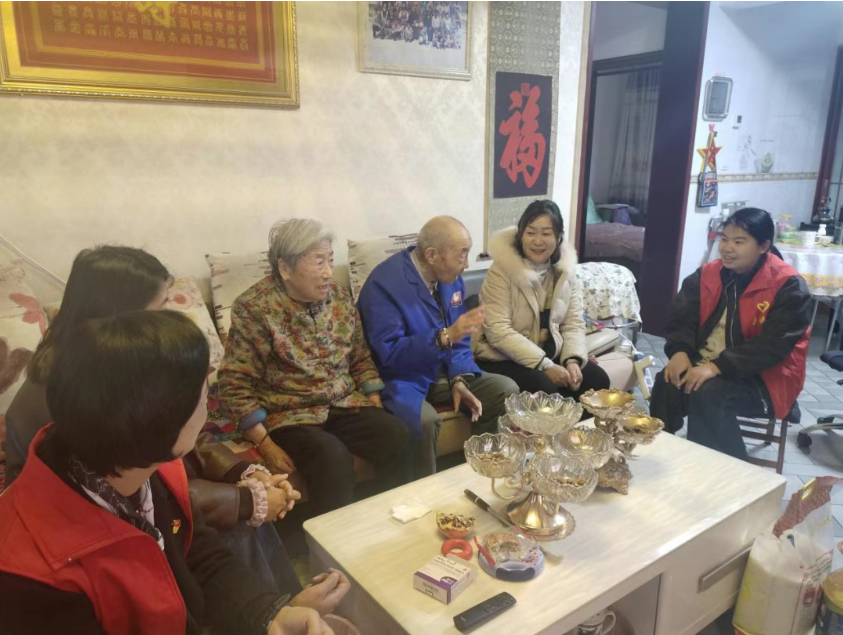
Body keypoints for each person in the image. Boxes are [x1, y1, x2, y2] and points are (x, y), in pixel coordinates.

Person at [0, 311, 345, 635]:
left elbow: (198, 554)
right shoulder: (33, 577)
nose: (208, 406)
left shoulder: (141, 467)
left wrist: (268, 615)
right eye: (203, 396)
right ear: (162, 422)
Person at [4, 245, 300, 593]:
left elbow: (181, 427)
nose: (169, 319)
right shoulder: (73, 392)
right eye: (160, 307)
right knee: (236, 531)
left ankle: (278, 607)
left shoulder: (122, 367)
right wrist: (247, 501)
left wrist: (243, 472)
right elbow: (135, 490)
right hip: (85, 528)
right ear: (120, 313)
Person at [217, 218, 410, 531]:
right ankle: (335, 546)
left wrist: (374, 402)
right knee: (332, 459)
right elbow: (233, 383)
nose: (329, 272)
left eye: (330, 260)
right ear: (285, 268)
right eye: (319, 262)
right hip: (290, 415)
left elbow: (360, 356)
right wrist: (265, 443)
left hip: (344, 403)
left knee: (395, 434)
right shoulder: (255, 308)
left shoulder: (339, 297)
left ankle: (392, 528)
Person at [356, 216, 519, 478]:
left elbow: (460, 340)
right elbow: (389, 354)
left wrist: (458, 378)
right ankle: (425, 494)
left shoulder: (450, 278)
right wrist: (442, 338)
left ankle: (482, 476)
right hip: (402, 378)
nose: (467, 265)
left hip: (443, 370)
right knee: (424, 421)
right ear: (432, 255)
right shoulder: (383, 285)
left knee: (504, 389)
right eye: (462, 254)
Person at [649, 207, 812, 460]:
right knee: (668, 381)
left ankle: (728, 471)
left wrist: (717, 366)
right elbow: (680, 318)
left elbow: (772, 346)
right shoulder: (707, 274)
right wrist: (679, 351)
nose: (727, 248)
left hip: (766, 377)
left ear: (763, 246)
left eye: (739, 241)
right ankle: (659, 456)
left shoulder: (788, 285)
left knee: (708, 393)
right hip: (710, 365)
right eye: (724, 239)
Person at [473, 200, 610, 402]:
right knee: (545, 388)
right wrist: (545, 365)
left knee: (597, 380)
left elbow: (573, 323)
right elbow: (498, 331)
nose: (538, 241)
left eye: (546, 233)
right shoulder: (501, 271)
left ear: (558, 237)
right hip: (502, 356)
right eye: (531, 233)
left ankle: (576, 424)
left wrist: (572, 360)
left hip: (549, 353)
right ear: (521, 235)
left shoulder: (565, 272)